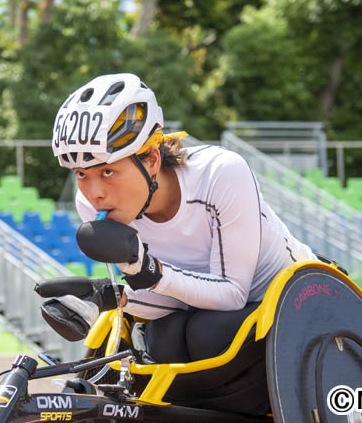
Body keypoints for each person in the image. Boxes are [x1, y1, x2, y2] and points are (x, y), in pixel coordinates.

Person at [39, 73, 318, 415]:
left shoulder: (221, 174)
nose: (94, 192)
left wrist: (149, 271)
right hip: (195, 310)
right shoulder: (94, 206)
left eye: (107, 172)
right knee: (163, 336)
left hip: (290, 305)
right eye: (81, 174)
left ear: (152, 159)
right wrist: (109, 298)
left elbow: (232, 294)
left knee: (207, 331)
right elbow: (167, 304)